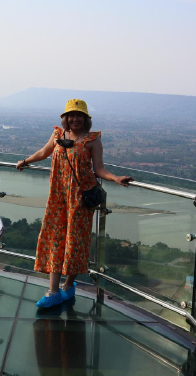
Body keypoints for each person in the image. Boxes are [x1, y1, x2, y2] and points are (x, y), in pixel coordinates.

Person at [16, 99, 133, 308]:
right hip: (58, 197)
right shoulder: (57, 135)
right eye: (71, 115)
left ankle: (68, 285)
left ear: (86, 119)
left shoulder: (92, 140)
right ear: (65, 118)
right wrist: (24, 162)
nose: (75, 119)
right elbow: (44, 153)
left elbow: (98, 169)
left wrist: (115, 178)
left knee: (75, 242)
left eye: (79, 115)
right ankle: (52, 290)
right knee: (55, 238)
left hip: (80, 199)